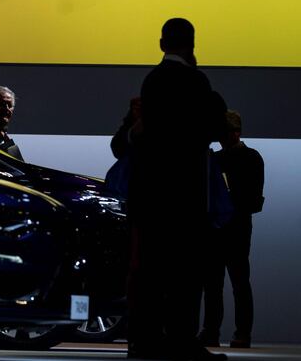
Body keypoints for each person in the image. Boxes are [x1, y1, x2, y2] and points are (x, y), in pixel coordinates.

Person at [127, 18, 227, 361]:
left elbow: (146, 137)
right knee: (185, 273)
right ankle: (182, 340)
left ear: (161, 44)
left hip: (152, 195)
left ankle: (145, 341)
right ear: (193, 43)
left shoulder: (152, 80)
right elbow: (208, 131)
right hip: (185, 195)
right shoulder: (197, 82)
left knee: (150, 271)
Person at [200, 111, 264, 349]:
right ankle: (227, 332)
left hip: (228, 227)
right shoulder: (247, 158)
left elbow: (250, 198)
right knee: (224, 283)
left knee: (227, 283)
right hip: (228, 227)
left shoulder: (242, 158)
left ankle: (219, 331)